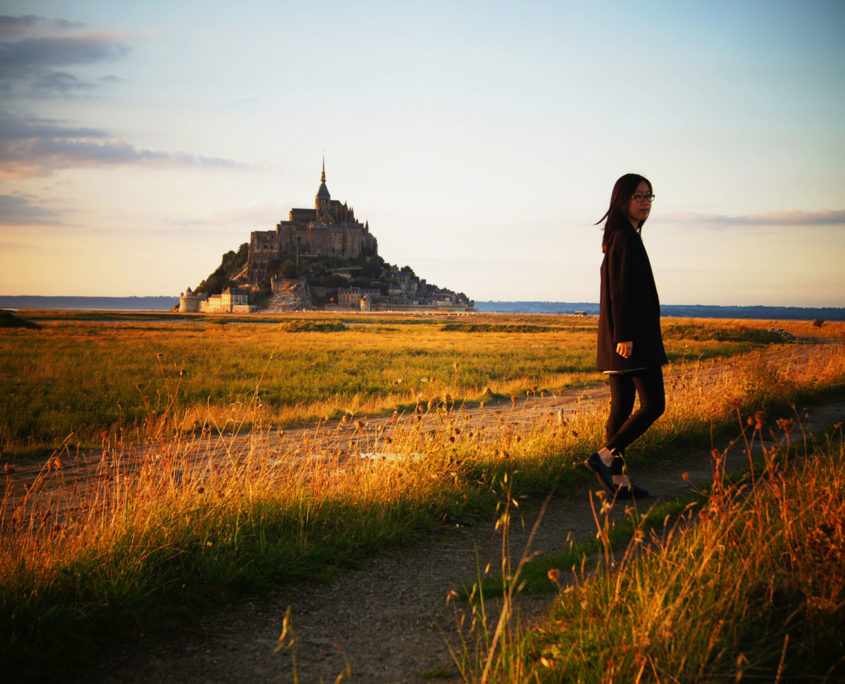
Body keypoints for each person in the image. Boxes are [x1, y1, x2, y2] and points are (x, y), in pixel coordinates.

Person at [585, 173, 667, 499]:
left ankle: (617, 482)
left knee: (621, 410)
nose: (645, 202)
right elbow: (619, 292)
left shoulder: (624, 236)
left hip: (624, 339)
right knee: (653, 405)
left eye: (649, 196)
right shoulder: (623, 238)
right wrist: (625, 336)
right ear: (623, 200)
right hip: (631, 341)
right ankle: (604, 458)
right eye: (638, 196)